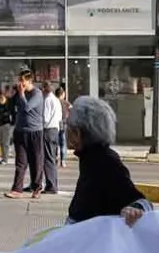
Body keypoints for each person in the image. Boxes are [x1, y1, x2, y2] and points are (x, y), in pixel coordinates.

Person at [64, 96, 152, 226]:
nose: (66, 130)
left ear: (77, 133)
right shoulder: (89, 159)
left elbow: (143, 203)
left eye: (68, 125)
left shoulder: (106, 162)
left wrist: (135, 209)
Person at [5, 70, 45, 200]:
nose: (20, 83)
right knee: (20, 162)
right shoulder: (19, 93)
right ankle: (17, 189)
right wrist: (11, 96)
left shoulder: (37, 94)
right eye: (19, 81)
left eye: (22, 81)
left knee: (36, 161)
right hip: (20, 130)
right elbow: (13, 108)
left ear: (29, 81)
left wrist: (21, 94)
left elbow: (27, 108)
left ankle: (37, 187)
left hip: (34, 131)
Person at [41, 82, 63, 194]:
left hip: (48, 130)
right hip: (55, 130)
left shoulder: (47, 100)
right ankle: (53, 183)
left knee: (48, 159)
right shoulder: (56, 100)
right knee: (52, 158)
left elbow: (45, 117)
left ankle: (51, 185)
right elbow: (59, 117)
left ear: (45, 89)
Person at [0, 90, 15, 165]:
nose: (1, 99)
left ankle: (5, 158)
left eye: (2, 97)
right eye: (0, 97)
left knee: (5, 143)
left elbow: (14, 115)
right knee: (1, 142)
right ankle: (3, 157)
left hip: (6, 125)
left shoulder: (9, 106)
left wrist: (12, 123)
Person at [57, 87, 70, 168]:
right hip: (63, 123)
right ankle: (63, 160)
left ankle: (54, 158)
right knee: (63, 143)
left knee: (55, 142)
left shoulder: (54, 101)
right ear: (62, 94)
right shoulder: (65, 103)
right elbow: (72, 108)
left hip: (55, 124)